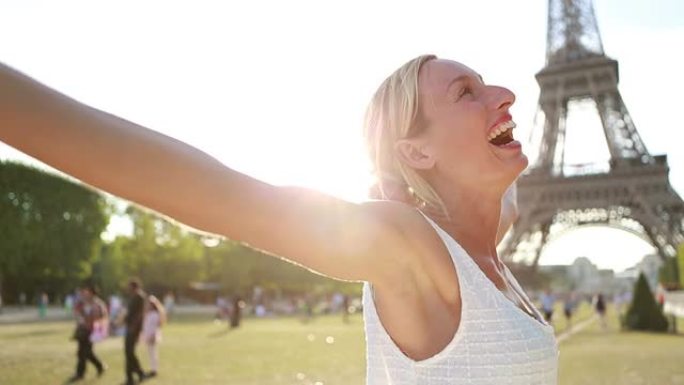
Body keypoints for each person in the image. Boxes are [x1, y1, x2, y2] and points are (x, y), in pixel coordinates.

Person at [0, 54, 558, 384]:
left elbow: (497, 205)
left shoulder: (486, 246)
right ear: (416, 152)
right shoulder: (408, 245)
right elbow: (218, 194)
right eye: (467, 92)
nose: (506, 94)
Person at [67, 283, 107, 383]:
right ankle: (86, 371)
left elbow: (97, 317)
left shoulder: (98, 304)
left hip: (91, 331)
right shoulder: (82, 303)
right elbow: (77, 315)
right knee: (83, 353)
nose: (85, 293)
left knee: (86, 353)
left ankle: (84, 372)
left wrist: (84, 315)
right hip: (82, 330)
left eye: (87, 292)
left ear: (92, 293)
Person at [123, 278, 147, 385]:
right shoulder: (133, 297)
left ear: (134, 287)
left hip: (134, 328)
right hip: (130, 327)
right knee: (128, 352)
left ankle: (139, 373)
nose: (127, 289)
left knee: (129, 352)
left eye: (129, 287)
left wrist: (134, 327)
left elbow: (140, 314)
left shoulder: (140, 297)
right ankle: (130, 377)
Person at [141, 295, 166, 378]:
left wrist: (153, 335)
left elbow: (156, 326)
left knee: (153, 352)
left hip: (153, 335)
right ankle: (153, 368)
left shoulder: (155, 314)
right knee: (150, 352)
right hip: (148, 334)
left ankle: (154, 369)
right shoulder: (148, 314)